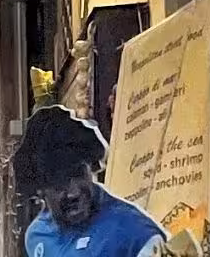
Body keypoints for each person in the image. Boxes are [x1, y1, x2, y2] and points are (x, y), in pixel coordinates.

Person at [13, 106, 166, 257]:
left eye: (79, 173)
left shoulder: (136, 234)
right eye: (60, 182)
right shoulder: (36, 236)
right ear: (40, 189)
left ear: (90, 167)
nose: (73, 193)